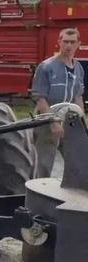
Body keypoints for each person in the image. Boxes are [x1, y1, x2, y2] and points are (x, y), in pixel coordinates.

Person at [31, 27, 85, 177]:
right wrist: (53, 123)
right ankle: (39, 196)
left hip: (67, 120)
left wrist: (80, 122)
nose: (68, 45)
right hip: (46, 121)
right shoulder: (47, 67)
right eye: (65, 41)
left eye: (72, 42)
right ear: (59, 42)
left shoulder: (79, 68)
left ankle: (71, 196)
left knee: (76, 162)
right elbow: (40, 97)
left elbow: (78, 96)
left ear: (78, 44)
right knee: (44, 166)